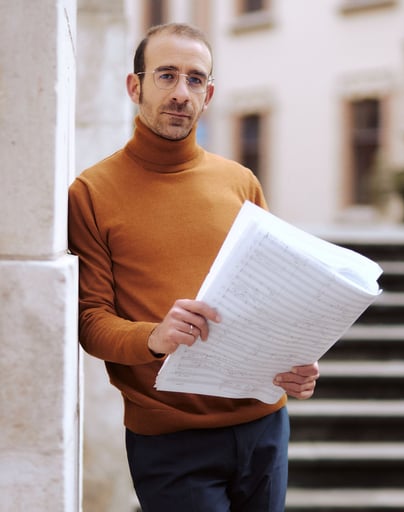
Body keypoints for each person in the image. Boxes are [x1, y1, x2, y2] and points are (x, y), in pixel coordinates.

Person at [68, 22, 319, 512]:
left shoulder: (240, 182)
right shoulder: (91, 192)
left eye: (195, 79)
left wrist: (298, 360)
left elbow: (274, 297)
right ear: (134, 86)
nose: (181, 92)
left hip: (265, 425)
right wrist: (153, 337)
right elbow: (89, 322)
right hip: (170, 440)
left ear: (209, 95)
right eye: (166, 76)